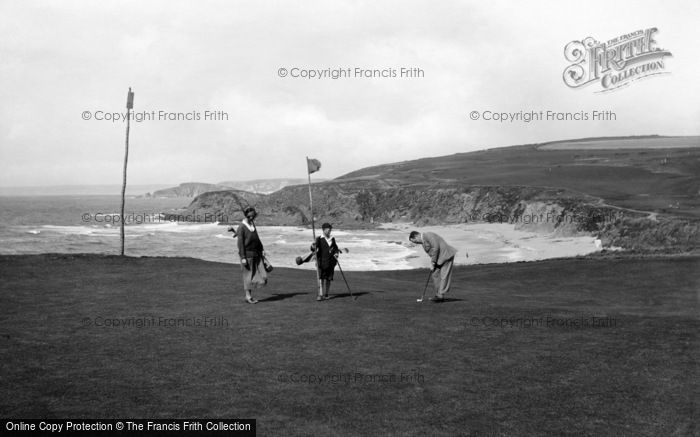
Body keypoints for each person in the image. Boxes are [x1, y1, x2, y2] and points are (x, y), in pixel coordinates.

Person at [409, 230, 458, 302]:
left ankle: (440, 296)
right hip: (439, 258)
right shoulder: (423, 242)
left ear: (417, 236)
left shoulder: (428, 235)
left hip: (446, 255)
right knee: (435, 274)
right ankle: (438, 294)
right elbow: (432, 252)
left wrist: (433, 262)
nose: (415, 243)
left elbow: (436, 248)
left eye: (414, 241)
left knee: (444, 276)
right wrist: (433, 262)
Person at [236, 207, 267, 304]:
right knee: (248, 276)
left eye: (253, 216)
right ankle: (248, 296)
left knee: (264, 276)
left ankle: (249, 292)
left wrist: (262, 249)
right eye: (250, 216)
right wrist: (243, 257)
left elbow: (257, 238)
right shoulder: (241, 227)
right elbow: (240, 243)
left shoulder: (252, 224)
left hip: (256, 254)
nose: (252, 218)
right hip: (247, 255)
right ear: (246, 215)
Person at [311, 223, 343, 301]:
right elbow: (313, 249)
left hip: (330, 262)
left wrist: (336, 253)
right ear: (324, 230)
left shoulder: (332, 239)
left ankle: (326, 294)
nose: (330, 231)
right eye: (329, 230)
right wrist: (313, 246)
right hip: (321, 262)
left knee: (328, 279)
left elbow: (335, 248)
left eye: (330, 230)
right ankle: (320, 294)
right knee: (321, 278)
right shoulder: (319, 239)